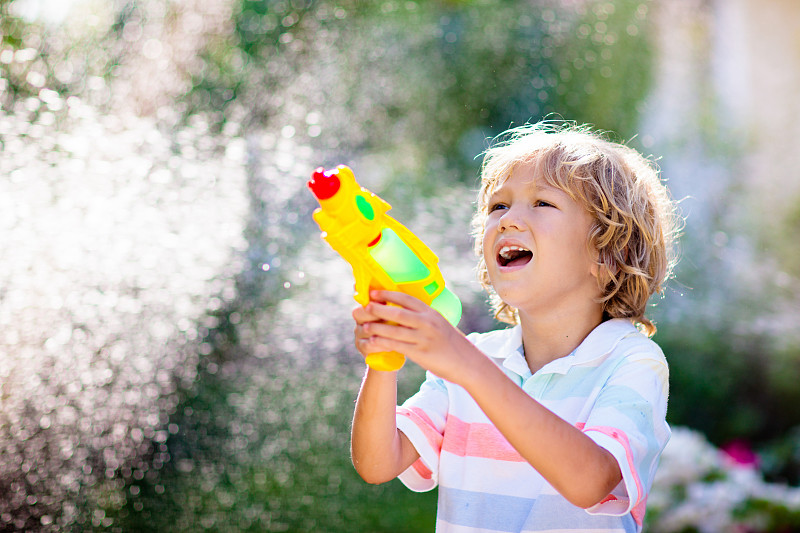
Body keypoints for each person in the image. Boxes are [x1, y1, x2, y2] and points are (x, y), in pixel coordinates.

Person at [350, 121, 681, 533]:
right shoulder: (475, 357)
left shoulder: (632, 361)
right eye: (497, 206)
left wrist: (468, 367)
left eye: (541, 203)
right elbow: (377, 462)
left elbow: (589, 482)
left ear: (607, 255)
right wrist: (385, 359)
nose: (507, 220)